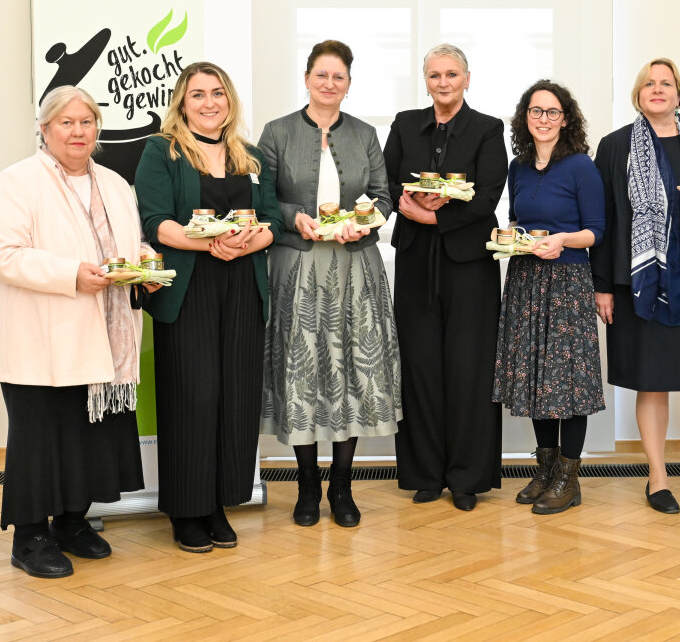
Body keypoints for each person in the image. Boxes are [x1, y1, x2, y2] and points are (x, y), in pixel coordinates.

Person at [0, 86, 151, 578]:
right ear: (44, 128)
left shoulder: (116, 183)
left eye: (87, 122)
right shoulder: (15, 183)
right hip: (39, 335)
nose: (78, 132)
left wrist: (143, 262)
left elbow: (129, 242)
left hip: (102, 334)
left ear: (98, 128)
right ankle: (30, 538)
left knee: (87, 434)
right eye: (66, 123)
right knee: (41, 437)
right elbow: (2, 254)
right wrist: (70, 273)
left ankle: (73, 523)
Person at [134, 62, 281, 553]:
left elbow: (274, 221)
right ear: (182, 102)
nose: (209, 102)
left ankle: (219, 502)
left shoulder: (251, 156)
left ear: (229, 99)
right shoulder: (162, 151)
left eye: (217, 93)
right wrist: (211, 245)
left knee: (234, 397)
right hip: (188, 289)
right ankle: (186, 510)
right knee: (192, 397)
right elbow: (156, 221)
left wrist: (249, 242)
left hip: (242, 287)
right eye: (197, 94)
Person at [259, 40, 402, 528]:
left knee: (351, 372)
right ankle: (305, 485)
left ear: (348, 84)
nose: (329, 83)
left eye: (338, 76)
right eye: (321, 74)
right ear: (306, 79)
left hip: (353, 269)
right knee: (304, 373)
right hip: (297, 267)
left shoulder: (364, 133)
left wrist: (366, 222)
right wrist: (294, 216)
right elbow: (262, 202)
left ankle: (341, 486)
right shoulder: (277, 132)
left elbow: (384, 196)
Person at [591, 58, 680, 514]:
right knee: (651, 383)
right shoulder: (615, 147)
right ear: (638, 93)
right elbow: (607, 220)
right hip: (642, 280)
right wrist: (603, 286)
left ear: (679, 93)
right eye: (649, 83)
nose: (658, 89)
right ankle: (657, 478)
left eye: (666, 83)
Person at [384, 43, 508, 511]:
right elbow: (388, 181)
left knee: (468, 369)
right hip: (416, 260)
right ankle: (425, 474)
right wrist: (409, 204)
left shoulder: (487, 129)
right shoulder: (402, 123)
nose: (443, 83)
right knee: (419, 367)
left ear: (467, 79)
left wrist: (434, 216)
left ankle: (466, 478)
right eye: (434, 75)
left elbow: (488, 195)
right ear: (426, 79)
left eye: (451, 74)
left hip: (468, 265)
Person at [493, 80, 606, 514]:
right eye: (536, 112)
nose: (543, 119)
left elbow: (596, 230)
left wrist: (561, 239)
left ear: (566, 118)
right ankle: (544, 470)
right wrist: (516, 241)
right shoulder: (518, 167)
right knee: (538, 377)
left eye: (552, 112)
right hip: (525, 279)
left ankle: (568, 478)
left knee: (570, 383)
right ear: (526, 118)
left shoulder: (581, 166)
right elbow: (517, 220)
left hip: (567, 283)